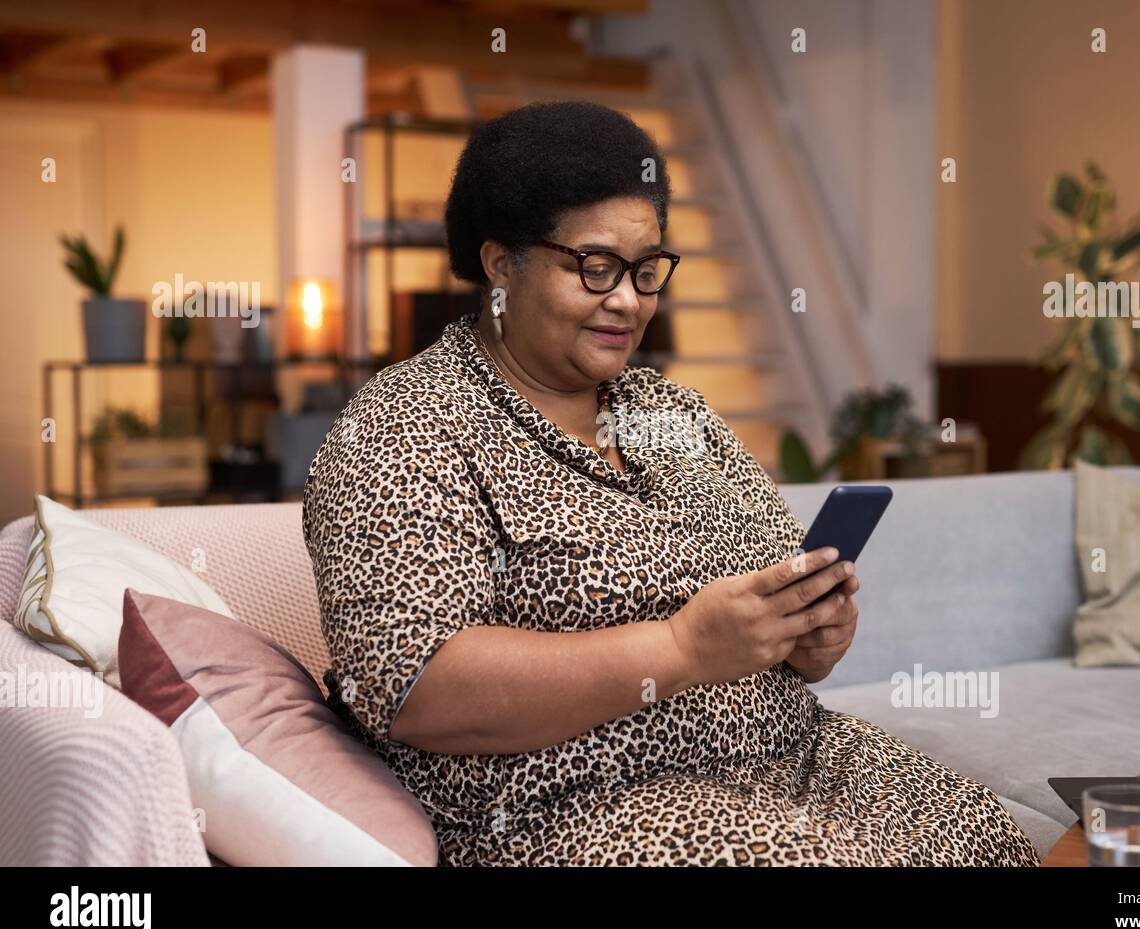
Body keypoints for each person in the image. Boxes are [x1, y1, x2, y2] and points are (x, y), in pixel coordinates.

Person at [301, 100, 1039, 866]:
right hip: (580, 807)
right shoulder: (405, 426)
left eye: (646, 269)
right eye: (594, 266)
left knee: (989, 839)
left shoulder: (669, 411)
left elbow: (770, 595)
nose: (628, 299)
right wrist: (682, 648)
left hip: (794, 762)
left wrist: (812, 635)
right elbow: (420, 688)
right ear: (500, 263)